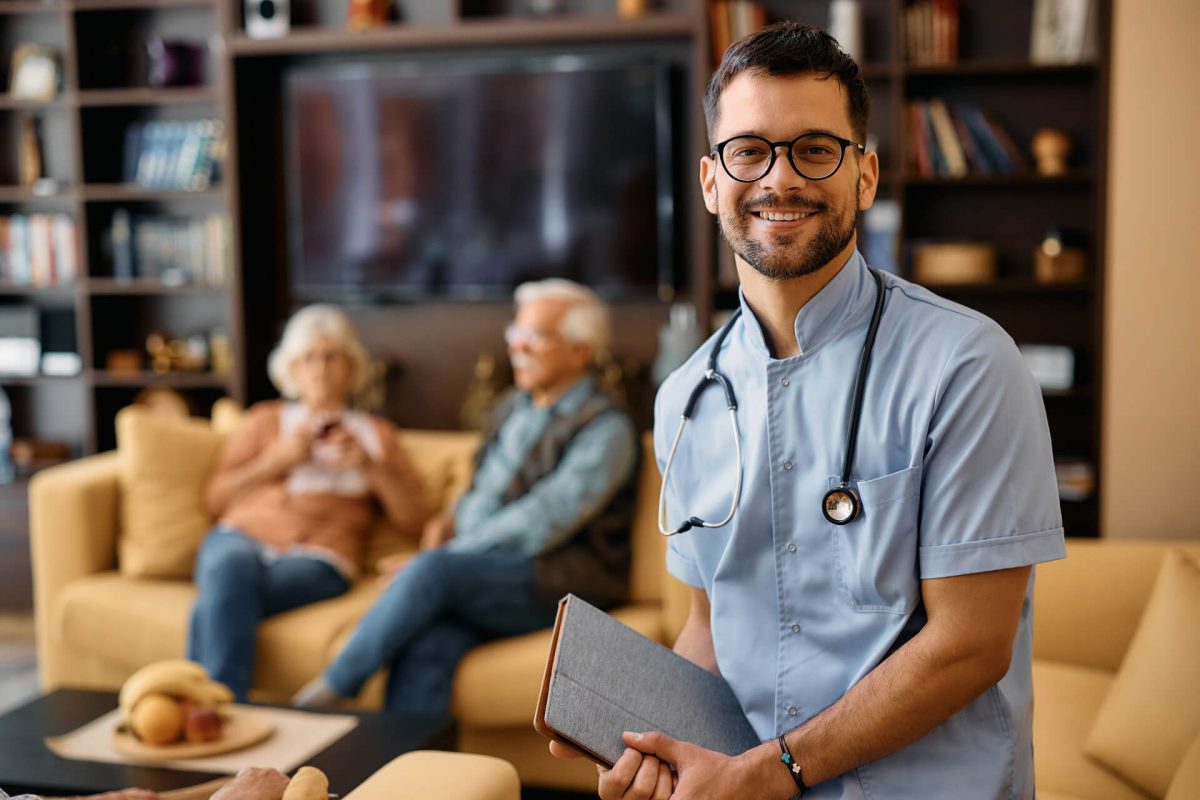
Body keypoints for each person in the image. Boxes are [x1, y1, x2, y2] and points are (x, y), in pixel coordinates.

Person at [550, 22, 1065, 799]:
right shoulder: (686, 399)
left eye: (815, 149)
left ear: (864, 176)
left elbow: (971, 645)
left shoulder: (967, 365)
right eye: (749, 150)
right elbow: (708, 629)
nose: (779, 179)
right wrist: (655, 743)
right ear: (710, 181)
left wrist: (770, 773)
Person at [293, 278, 639, 715]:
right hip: (489, 573)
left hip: (565, 578)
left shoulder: (607, 429)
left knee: (436, 573)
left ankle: (330, 694)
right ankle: (416, 775)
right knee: (431, 641)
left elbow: (544, 519)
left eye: (536, 336)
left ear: (580, 351)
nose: (518, 346)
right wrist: (448, 522)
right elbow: (482, 489)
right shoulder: (511, 408)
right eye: (516, 332)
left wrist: (449, 558)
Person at [188, 305, 427, 701]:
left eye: (331, 357)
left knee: (220, 596)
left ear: (351, 366)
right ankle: (220, 709)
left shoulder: (376, 434)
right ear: (291, 370)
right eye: (307, 358)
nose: (319, 368)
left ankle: (212, 709)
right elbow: (216, 498)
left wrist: (371, 467)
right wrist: (278, 459)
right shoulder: (266, 420)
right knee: (230, 567)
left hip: (319, 558)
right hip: (241, 538)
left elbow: (415, 522)